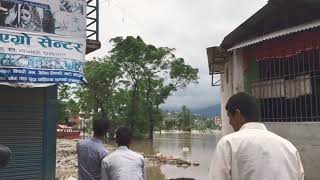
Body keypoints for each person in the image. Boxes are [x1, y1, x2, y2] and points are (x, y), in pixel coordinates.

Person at [208, 92, 304, 180]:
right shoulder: (289, 148)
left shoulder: (228, 144)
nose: (229, 122)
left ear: (237, 114)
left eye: (229, 116)